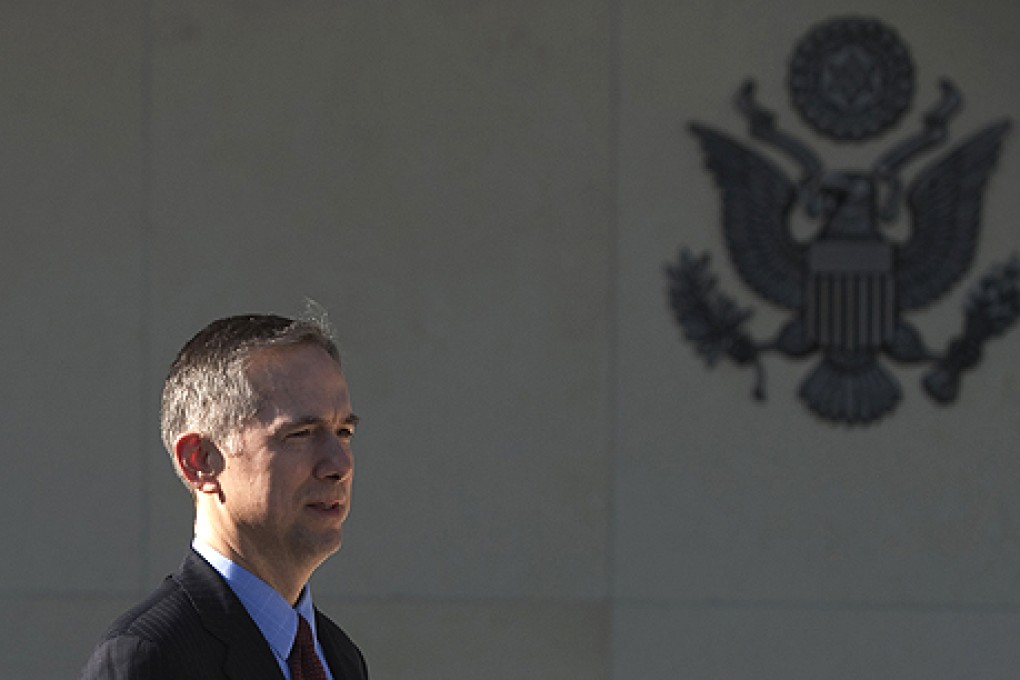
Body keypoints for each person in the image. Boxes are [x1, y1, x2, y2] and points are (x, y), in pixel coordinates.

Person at [80, 313, 369, 679]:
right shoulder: (149, 657)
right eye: (301, 434)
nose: (339, 463)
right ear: (200, 461)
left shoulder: (339, 657)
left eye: (343, 432)